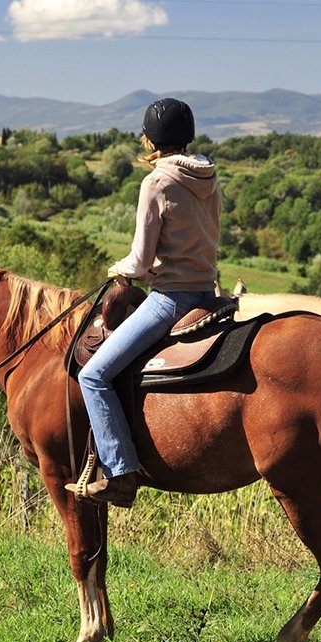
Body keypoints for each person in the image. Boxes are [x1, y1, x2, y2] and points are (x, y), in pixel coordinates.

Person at [65, 98, 222, 507]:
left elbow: (139, 259)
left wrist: (121, 270)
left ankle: (120, 472)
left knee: (93, 376)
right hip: (208, 293)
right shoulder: (209, 178)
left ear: (150, 140)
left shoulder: (156, 182)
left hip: (170, 299)